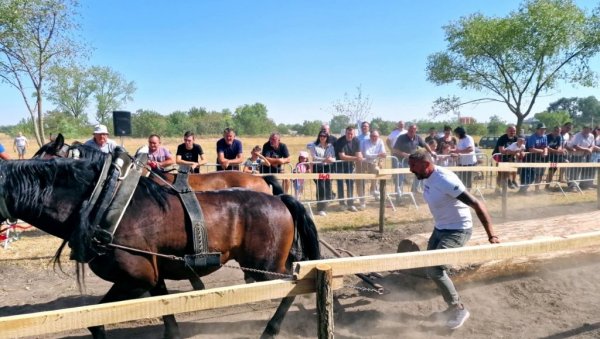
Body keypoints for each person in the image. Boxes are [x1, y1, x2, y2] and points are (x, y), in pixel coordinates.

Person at [407, 149, 499, 330]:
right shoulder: (427, 176)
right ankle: (451, 308)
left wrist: (492, 235)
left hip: (458, 230)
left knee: (436, 269)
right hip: (440, 228)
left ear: (426, 165)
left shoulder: (444, 180)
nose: (411, 170)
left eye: (413, 166)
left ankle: (458, 309)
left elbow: (476, 203)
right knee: (429, 266)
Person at [393, 123, 435, 193]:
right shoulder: (401, 137)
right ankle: (398, 194)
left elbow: (425, 145)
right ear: (408, 130)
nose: (412, 131)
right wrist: (404, 154)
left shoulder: (417, 137)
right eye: (410, 130)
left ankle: (415, 189)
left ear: (416, 130)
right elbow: (395, 150)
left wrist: (431, 152)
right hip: (401, 160)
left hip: (413, 161)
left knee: (420, 172)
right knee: (400, 177)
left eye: (413, 130)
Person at [334, 125, 363, 212]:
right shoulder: (340, 141)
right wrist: (356, 158)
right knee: (340, 184)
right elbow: (342, 156)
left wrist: (359, 156)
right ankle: (342, 204)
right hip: (339, 165)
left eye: (351, 134)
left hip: (350, 165)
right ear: (345, 133)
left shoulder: (356, 140)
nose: (350, 135)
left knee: (350, 183)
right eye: (348, 133)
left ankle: (350, 204)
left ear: (354, 134)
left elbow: (358, 154)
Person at [309, 130, 336, 216]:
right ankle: (320, 209)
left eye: (324, 136)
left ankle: (328, 199)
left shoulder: (330, 146)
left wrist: (331, 160)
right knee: (321, 187)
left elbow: (334, 157)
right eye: (320, 136)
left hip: (328, 168)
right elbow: (314, 157)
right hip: (318, 168)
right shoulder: (314, 145)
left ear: (327, 137)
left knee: (328, 187)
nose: (322, 137)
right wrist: (324, 159)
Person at [358, 129, 387, 207]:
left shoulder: (380, 141)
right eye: (372, 136)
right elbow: (367, 154)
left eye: (376, 136)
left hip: (373, 162)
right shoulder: (365, 142)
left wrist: (380, 155)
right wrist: (378, 154)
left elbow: (384, 153)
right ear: (370, 136)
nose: (374, 137)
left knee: (377, 172)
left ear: (378, 136)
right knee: (361, 181)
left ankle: (373, 190)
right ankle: (362, 201)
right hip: (363, 162)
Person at [519, 123, 548, 193]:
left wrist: (546, 152)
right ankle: (523, 190)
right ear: (537, 129)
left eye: (544, 129)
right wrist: (542, 151)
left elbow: (546, 147)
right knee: (529, 176)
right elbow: (531, 149)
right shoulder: (532, 137)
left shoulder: (545, 137)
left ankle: (537, 189)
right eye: (541, 129)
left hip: (541, 159)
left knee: (540, 174)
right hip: (530, 159)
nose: (543, 131)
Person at [492, 125, 519, 189]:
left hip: (509, 156)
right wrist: (513, 152)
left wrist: (518, 152)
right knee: (500, 174)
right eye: (511, 131)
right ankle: (498, 188)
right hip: (499, 156)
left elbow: (518, 148)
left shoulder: (516, 138)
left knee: (514, 168)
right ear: (507, 131)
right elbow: (502, 151)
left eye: (514, 131)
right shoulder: (502, 138)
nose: (512, 132)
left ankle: (513, 181)